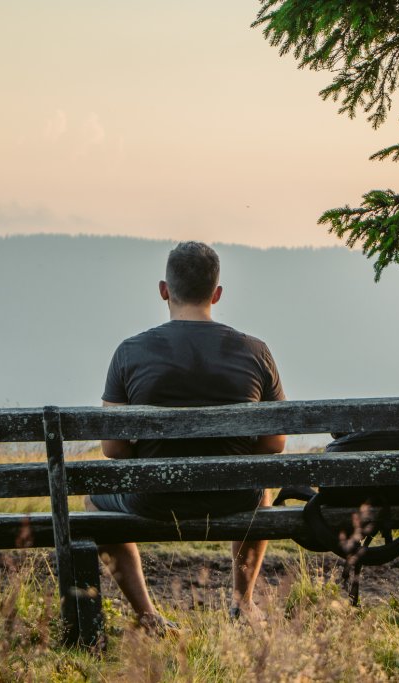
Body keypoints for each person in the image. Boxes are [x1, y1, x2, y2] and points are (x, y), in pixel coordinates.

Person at [86, 241, 286, 630]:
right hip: (234, 496)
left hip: (154, 498)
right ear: (217, 293)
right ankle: (242, 604)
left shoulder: (129, 353)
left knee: (95, 505)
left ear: (164, 290)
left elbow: (114, 449)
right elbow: (274, 444)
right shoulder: (255, 352)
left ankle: (147, 615)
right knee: (260, 489)